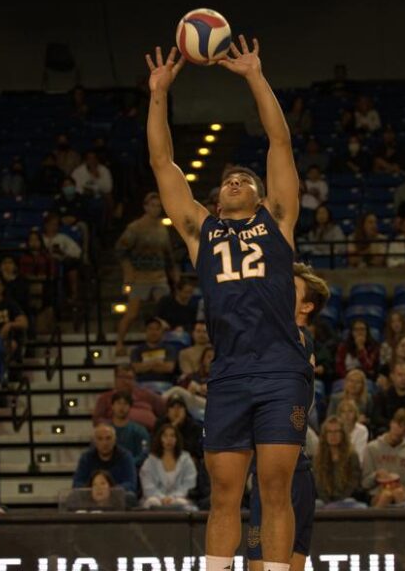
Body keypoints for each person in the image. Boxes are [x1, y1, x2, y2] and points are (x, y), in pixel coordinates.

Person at [147, 38, 310, 571]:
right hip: (231, 371)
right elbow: (162, 162)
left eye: (245, 180)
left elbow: (280, 143)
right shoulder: (201, 230)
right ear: (216, 200)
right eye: (227, 181)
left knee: (276, 484)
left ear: (261, 197)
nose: (235, 181)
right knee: (223, 490)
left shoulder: (278, 221)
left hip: (282, 367)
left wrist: (255, 77)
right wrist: (158, 95)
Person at [247, 261, 329, 571]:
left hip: (293, 473)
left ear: (306, 306)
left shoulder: (296, 338)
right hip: (265, 470)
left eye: (290, 288)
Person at [115, 192, 176, 354]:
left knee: (164, 311)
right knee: (132, 313)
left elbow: (168, 253)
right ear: (146, 207)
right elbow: (120, 250)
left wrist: (173, 271)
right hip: (140, 276)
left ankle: (164, 342)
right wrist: (128, 271)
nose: (156, 209)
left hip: (159, 274)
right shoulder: (135, 228)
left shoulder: (162, 228)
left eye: (158, 206)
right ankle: (119, 343)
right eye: (153, 206)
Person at [361, 408, 405, 507]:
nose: (400, 431)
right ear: (391, 423)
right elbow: (364, 483)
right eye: (398, 426)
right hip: (376, 494)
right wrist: (376, 475)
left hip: (400, 491)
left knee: (398, 493)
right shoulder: (372, 448)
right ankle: (376, 522)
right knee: (387, 495)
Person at [140, 424, 198, 510]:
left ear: (177, 439)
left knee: (182, 504)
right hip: (155, 498)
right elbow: (148, 485)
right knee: (152, 502)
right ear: (160, 439)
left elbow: (189, 484)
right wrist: (162, 498)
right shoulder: (150, 461)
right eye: (165, 436)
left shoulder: (186, 459)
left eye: (172, 436)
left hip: (180, 498)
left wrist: (172, 498)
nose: (169, 439)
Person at [73, 423, 139, 497]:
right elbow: (77, 484)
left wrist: (109, 490)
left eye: (108, 438)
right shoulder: (86, 458)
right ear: (94, 441)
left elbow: (131, 484)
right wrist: (96, 490)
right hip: (92, 498)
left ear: (114, 440)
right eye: (100, 439)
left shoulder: (125, 457)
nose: (104, 443)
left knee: (130, 496)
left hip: (117, 499)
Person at [93, 365, 166, 431]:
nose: (126, 382)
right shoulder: (105, 398)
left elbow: (166, 410)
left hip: (149, 433)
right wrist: (114, 424)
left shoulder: (146, 395)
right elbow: (97, 420)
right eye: (122, 377)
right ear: (115, 379)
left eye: (130, 378)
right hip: (117, 434)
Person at [312, 416, 362, 505]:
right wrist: (328, 502)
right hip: (324, 502)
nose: (333, 435)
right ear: (324, 435)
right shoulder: (318, 457)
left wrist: (339, 501)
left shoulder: (352, 456)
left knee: (355, 504)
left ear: (342, 434)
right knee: (315, 505)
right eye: (329, 432)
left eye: (336, 431)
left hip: (346, 500)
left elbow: (353, 483)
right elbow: (318, 484)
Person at [370, 361, 405, 436]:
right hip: (387, 431)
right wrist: (395, 427)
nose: (404, 378)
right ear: (392, 376)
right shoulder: (382, 396)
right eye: (400, 375)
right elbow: (376, 418)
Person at [130, 317, 177, 384]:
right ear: (145, 331)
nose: (154, 332)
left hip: (165, 384)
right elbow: (137, 369)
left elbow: (169, 368)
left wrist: (146, 365)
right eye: (150, 329)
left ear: (162, 332)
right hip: (142, 386)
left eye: (157, 329)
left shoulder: (169, 348)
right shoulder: (137, 350)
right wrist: (156, 363)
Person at [109, 391, 151, 466]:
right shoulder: (103, 431)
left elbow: (145, 452)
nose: (121, 407)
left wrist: (128, 463)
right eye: (118, 403)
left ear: (130, 407)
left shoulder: (140, 431)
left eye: (125, 404)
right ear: (112, 406)